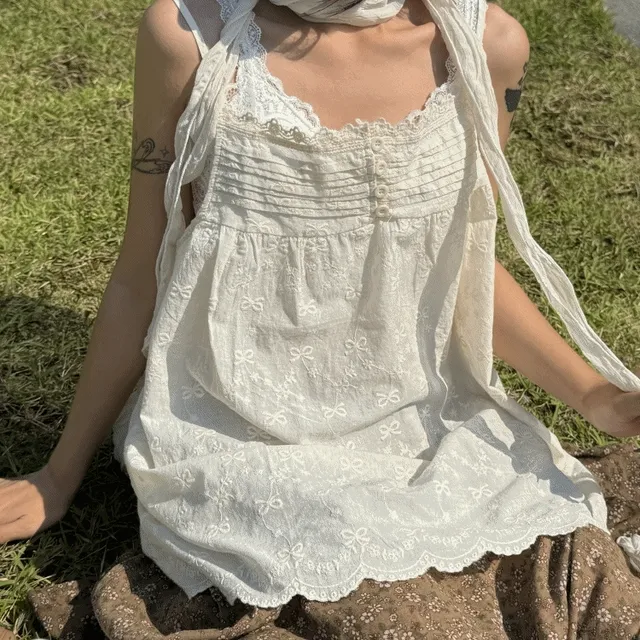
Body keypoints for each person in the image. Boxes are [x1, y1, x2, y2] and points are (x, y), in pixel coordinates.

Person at [2, 0, 640, 637]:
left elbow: (458, 265)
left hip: (424, 418)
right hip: (239, 428)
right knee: (379, 610)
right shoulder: (191, 37)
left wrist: (594, 397)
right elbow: (140, 275)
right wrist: (58, 477)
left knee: (572, 565)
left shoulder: (485, 45)